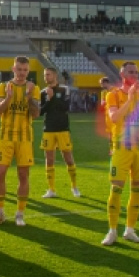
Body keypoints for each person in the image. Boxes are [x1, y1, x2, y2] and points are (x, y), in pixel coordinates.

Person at [101, 62, 139, 245]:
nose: (135, 75)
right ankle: (112, 230)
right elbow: (114, 118)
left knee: (137, 189)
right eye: (131, 72)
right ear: (122, 74)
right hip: (122, 147)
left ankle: (130, 229)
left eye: (137, 72)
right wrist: (131, 99)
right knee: (116, 188)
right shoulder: (113, 94)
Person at [0, 56, 40, 227]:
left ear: (28, 71)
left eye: (25, 70)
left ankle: (20, 213)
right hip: (5, 137)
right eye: (19, 69)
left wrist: (30, 97)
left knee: (23, 175)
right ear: (13, 69)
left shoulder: (34, 88)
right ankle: (0, 211)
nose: (22, 73)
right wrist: (8, 98)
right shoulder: (3, 86)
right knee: (0, 172)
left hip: (24, 138)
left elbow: (36, 114)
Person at [40, 67, 80, 198]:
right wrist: (48, 99)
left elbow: (66, 107)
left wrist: (53, 98)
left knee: (68, 159)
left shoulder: (64, 89)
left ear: (55, 76)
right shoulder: (43, 92)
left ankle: (74, 187)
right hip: (48, 129)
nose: (46, 77)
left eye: (48, 74)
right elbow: (41, 111)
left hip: (63, 129)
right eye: (45, 75)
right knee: (49, 160)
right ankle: (51, 189)